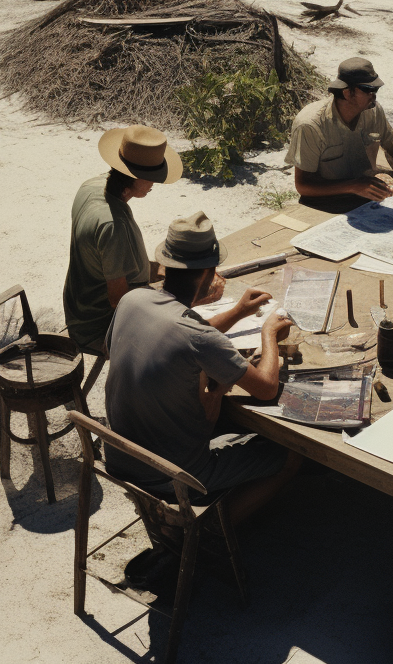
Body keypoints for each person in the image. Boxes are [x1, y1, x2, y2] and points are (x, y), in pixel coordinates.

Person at [103, 211, 300, 526]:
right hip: (173, 473)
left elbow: (175, 331)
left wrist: (238, 311)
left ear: (166, 264)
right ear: (210, 271)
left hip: (120, 455)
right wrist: (268, 333)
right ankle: (206, 533)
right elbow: (266, 387)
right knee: (291, 456)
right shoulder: (198, 337)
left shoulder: (133, 300)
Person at [63, 125, 181, 357]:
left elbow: (113, 260)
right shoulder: (112, 225)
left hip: (79, 308)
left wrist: (170, 272)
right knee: (184, 340)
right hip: (98, 325)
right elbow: (120, 301)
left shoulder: (92, 186)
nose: (153, 185)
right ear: (133, 177)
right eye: (150, 178)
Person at [284, 57, 393, 211]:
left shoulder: (373, 111)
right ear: (347, 93)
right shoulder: (311, 125)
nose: (374, 95)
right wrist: (353, 186)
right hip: (325, 202)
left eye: (376, 89)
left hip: (364, 196)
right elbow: (303, 186)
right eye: (368, 90)